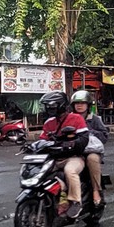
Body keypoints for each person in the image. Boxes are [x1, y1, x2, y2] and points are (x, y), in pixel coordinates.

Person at [38, 90, 89, 219]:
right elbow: (42, 140)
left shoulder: (76, 119)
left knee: (70, 171)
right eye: (48, 106)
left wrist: (72, 143)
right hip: (54, 158)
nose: (49, 108)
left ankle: (76, 202)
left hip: (73, 158)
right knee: (38, 172)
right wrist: (33, 145)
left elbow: (84, 139)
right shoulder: (48, 123)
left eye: (52, 106)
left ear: (60, 105)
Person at [71, 88, 107, 206]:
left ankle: (96, 191)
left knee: (92, 159)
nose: (79, 106)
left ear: (88, 105)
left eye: (82, 103)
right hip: (74, 150)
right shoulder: (69, 119)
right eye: (77, 103)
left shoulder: (95, 119)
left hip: (91, 150)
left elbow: (104, 136)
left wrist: (89, 132)